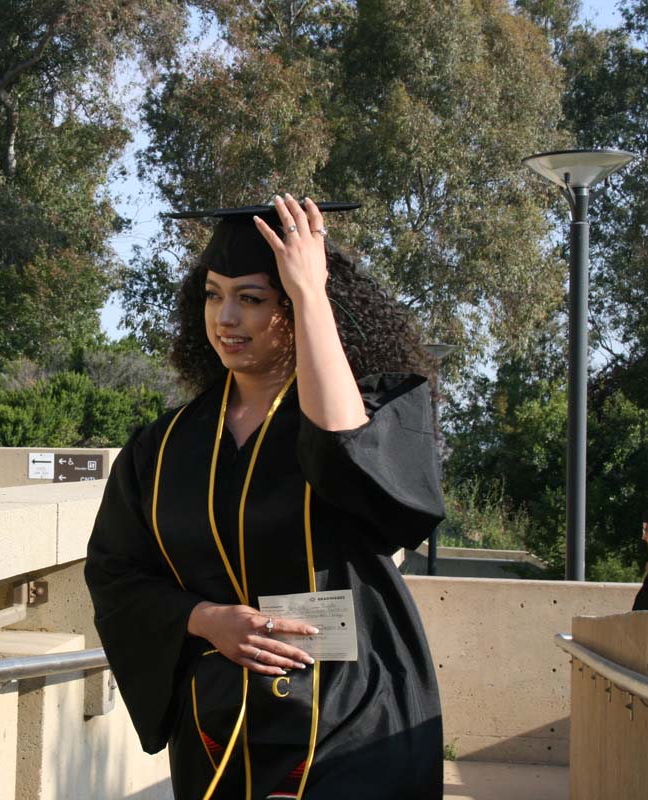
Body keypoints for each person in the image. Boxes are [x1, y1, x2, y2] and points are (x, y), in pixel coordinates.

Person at [85, 194, 446, 800]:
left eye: (251, 299)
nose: (225, 317)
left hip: (352, 707)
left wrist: (310, 291)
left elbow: (346, 453)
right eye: (212, 294)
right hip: (220, 722)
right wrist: (206, 620)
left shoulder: (378, 411)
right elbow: (116, 571)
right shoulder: (165, 446)